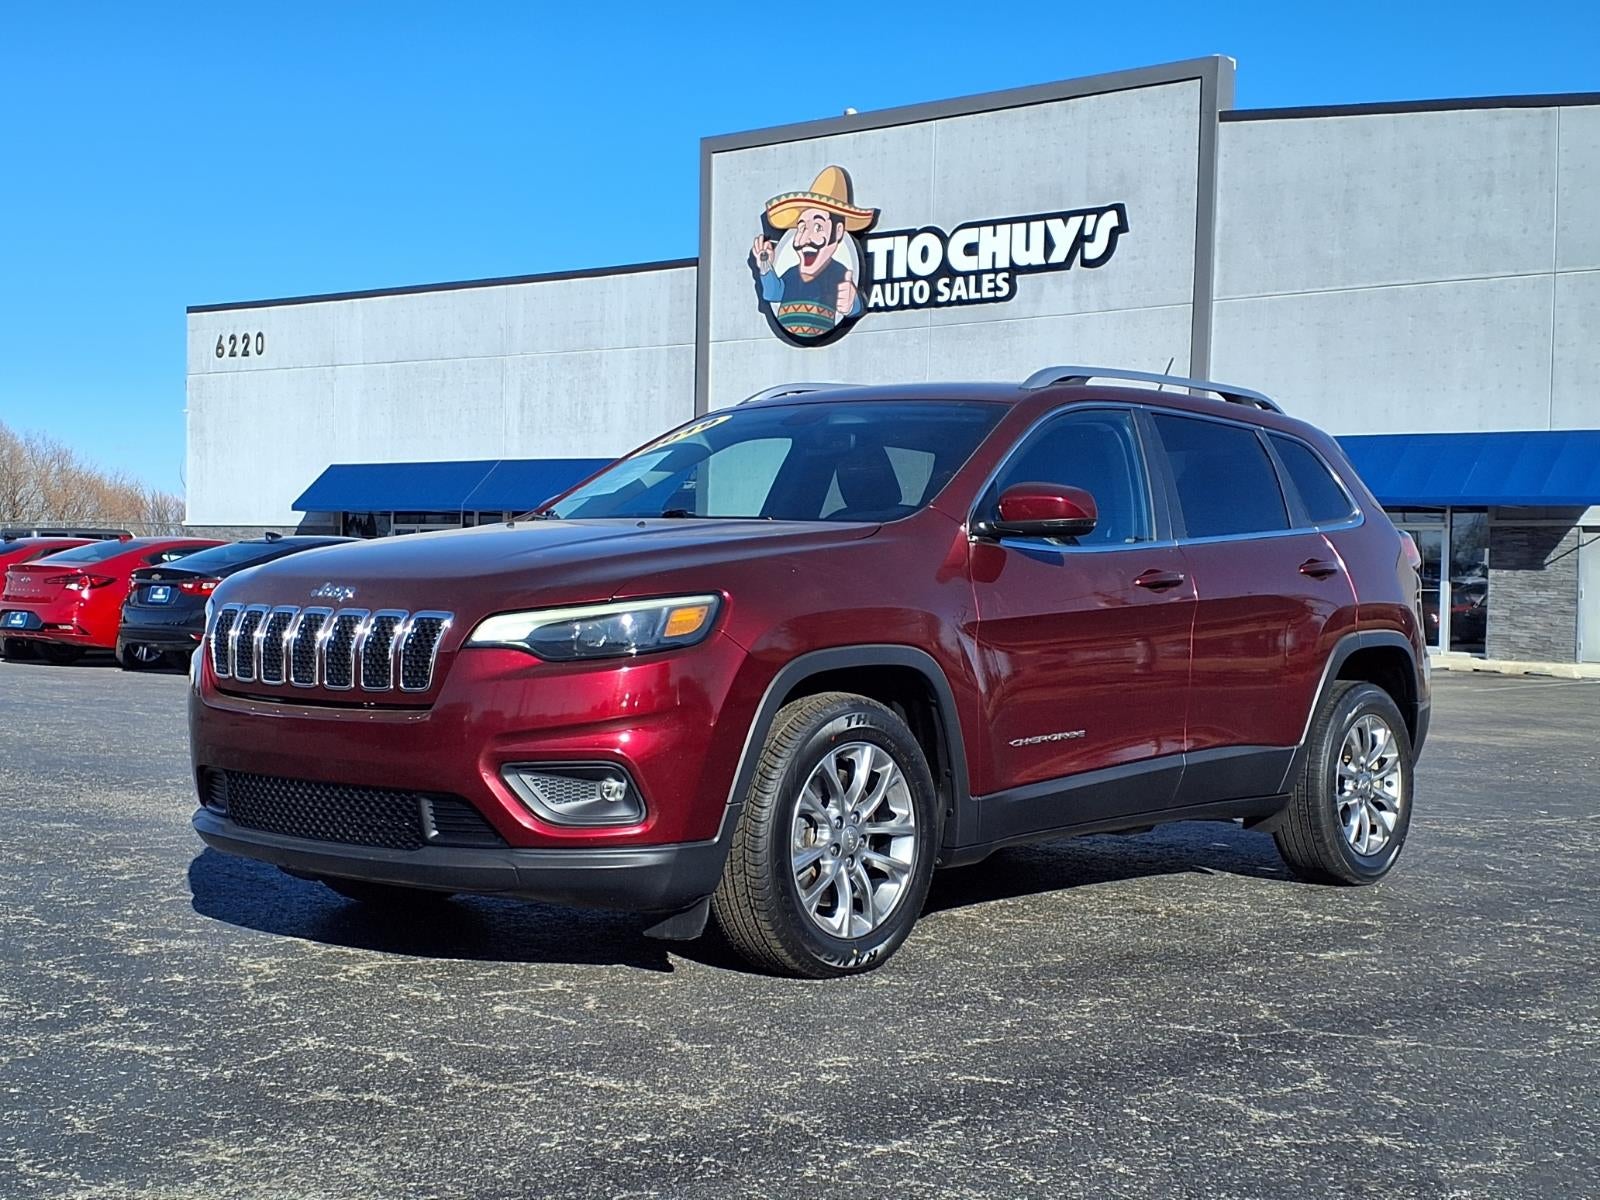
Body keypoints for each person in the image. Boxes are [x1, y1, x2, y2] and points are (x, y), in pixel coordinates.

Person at [751, 165, 877, 340]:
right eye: (801, 228)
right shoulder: (791, 274)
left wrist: (852, 304)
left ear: (838, 231)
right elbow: (773, 293)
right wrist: (765, 264)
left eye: (818, 227)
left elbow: (851, 302)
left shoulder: (839, 273)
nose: (804, 239)